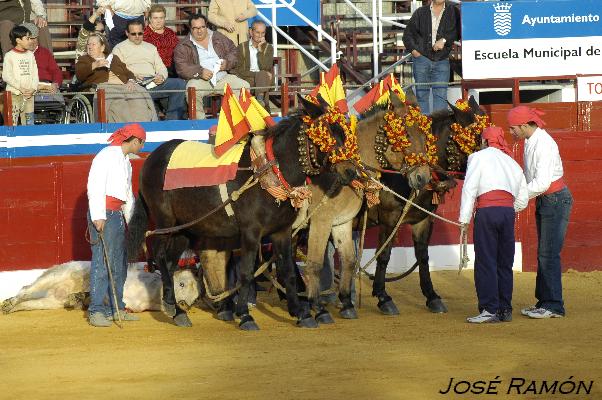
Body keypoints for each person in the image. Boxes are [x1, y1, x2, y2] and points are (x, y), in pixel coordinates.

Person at [508, 106, 573, 319]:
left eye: (513, 128)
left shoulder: (543, 144)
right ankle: (545, 302)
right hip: (549, 200)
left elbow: (542, 182)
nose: (511, 133)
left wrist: (519, 198)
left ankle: (554, 306)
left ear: (525, 125)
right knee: (544, 254)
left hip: (554, 199)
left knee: (548, 254)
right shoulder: (531, 141)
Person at [459, 126, 528, 324]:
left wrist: (464, 219)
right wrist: (507, 209)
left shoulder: (477, 157)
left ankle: (489, 309)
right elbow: (522, 198)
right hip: (507, 213)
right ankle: (505, 309)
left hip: (487, 213)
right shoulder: (512, 162)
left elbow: (469, 189)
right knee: (504, 262)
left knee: (486, 261)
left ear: (485, 141)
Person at [86, 123, 145, 327]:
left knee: (119, 264)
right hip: (105, 215)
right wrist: (98, 216)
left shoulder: (126, 161)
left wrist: (132, 224)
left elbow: (127, 196)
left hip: (117, 215)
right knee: (103, 263)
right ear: (135, 140)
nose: (141, 148)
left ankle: (116, 308)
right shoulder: (106, 155)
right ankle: (96, 310)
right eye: (141, 143)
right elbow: (95, 185)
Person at [174, 13, 249, 120]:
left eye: (202, 27)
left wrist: (227, 63)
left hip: (222, 76)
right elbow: (181, 68)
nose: (199, 31)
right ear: (190, 28)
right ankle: (200, 124)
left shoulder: (218, 36)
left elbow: (234, 52)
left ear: (206, 25)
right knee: (191, 90)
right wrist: (200, 72)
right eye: (195, 28)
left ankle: (235, 122)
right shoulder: (183, 45)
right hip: (201, 79)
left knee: (244, 86)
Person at [75, 32, 157, 123]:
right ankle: (127, 129)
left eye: (93, 44)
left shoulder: (113, 58)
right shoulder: (84, 59)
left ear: (102, 47)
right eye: (88, 44)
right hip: (106, 88)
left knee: (139, 101)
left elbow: (128, 72)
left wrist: (130, 81)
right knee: (120, 105)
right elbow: (79, 75)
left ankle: (142, 127)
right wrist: (94, 65)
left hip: (124, 86)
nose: (90, 47)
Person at [113, 20, 186, 120]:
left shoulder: (150, 47)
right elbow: (116, 69)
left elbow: (161, 67)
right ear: (127, 33)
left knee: (179, 84)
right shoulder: (119, 48)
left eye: (140, 33)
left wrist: (161, 76)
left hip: (152, 82)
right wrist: (130, 77)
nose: (137, 36)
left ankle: (172, 121)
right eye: (133, 34)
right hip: (134, 83)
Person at [402, 0, 458, 114]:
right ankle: (424, 129)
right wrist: (413, 50)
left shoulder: (453, 11)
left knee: (441, 97)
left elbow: (457, 31)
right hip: (422, 59)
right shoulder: (420, 12)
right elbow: (407, 35)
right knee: (421, 96)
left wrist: (444, 40)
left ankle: (438, 130)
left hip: (442, 59)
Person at [1, 25, 37, 125]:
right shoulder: (10, 55)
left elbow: (35, 74)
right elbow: (6, 76)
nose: (30, 41)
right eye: (27, 38)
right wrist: (20, 88)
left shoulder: (30, 55)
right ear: (18, 40)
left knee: (29, 125)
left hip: (29, 95)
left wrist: (33, 88)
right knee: (12, 124)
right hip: (14, 95)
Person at [234, 20, 273, 111]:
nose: (260, 36)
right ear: (251, 32)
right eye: (257, 32)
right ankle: (263, 107)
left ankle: (259, 100)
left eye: (263, 33)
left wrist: (260, 50)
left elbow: (266, 67)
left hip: (264, 79)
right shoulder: (241, 47)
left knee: (263, 75)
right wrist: (257, 75)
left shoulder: (268, 48)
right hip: (248, 79)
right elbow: (239, 70)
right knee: (263, 77)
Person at [20, 22, 62, 95]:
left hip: (45, 86)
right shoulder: (15, 54)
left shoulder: (45, 52)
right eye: (30, 39)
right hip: (24, 88)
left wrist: (56, 84)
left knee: (58, 101)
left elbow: (56, 71)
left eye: (35, 38)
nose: (32, 42)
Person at [143, 4, 179, 77]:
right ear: (150, 19)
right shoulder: (144, 34)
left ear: (164, 18)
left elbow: (178, 49)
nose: (158, 21)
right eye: (155, 18)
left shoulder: (170, 32)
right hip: (153, 70)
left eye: (161, 18)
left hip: (172, 69)